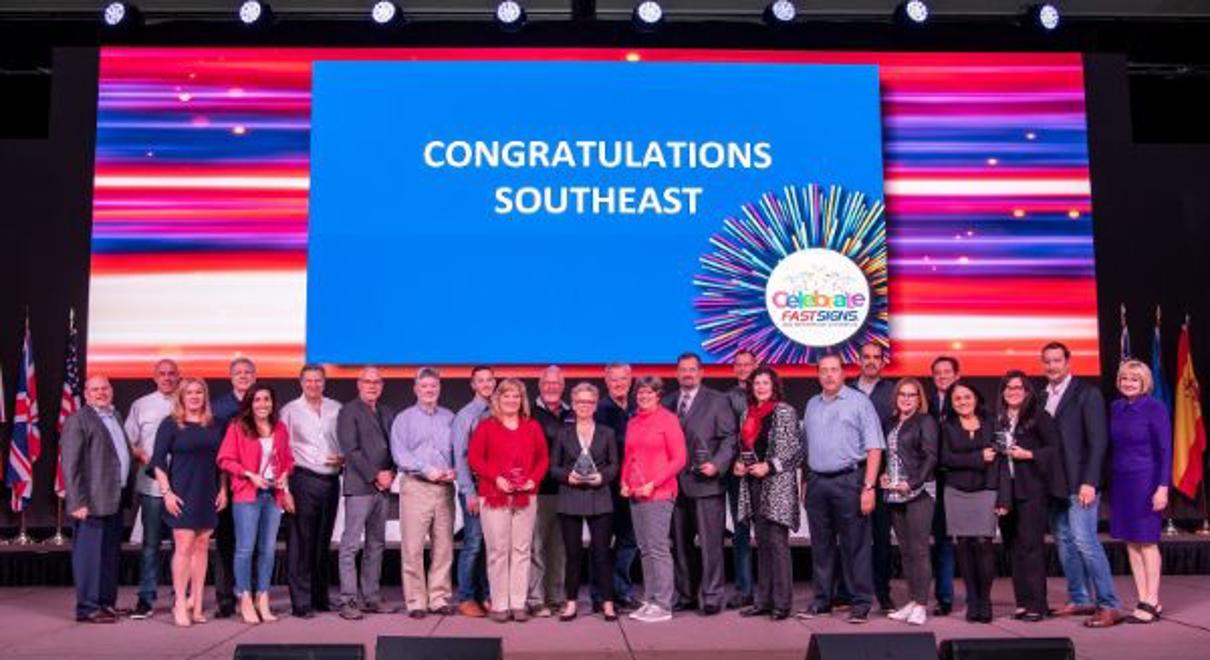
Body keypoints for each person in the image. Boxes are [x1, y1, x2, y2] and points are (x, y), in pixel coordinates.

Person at [797, 354, 885, 624]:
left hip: (850, 481)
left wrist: (869, 486)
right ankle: (822, 600)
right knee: (821, 546)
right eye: (824, 370)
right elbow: (807, 447)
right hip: (817, 482)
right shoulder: (812, 404)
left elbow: (874, 447)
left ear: (843, 373)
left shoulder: (860, 402)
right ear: (818, 375)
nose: (829, 375)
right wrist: (805, 481)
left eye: (834, 370)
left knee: (855, 545)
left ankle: (860, 603)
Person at [1041, 342, 1122, 627]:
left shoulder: (1087, 393)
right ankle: (1080, 598)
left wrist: (1090, 481)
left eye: (1057, 360)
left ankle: (1109, 605)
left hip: (1081, 483)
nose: (1052, 366)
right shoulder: (1042, 395)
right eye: (1047, 361)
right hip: (1055, 484)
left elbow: (1099, 441)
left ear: (1068, 362)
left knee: (1085, 542)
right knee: (1064, 542)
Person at [468, 378, 550, 623]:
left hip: (525, 496)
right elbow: (474, 458)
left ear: (522, 400)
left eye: (516, 396)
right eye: (507, 395)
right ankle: (500, 604)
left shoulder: (532, 427)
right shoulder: (486, 426)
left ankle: (518, 603)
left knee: (522, 550)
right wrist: (496, 479)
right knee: (498, 551)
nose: (512, 400)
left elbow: (543, 459)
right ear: (498, 399)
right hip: (494, 495)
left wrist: (533, 480)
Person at [662, 352, 737, 615]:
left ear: (701, 373)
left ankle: (712, 596)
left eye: (692, 369)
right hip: (675, 485)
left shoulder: (718, 400)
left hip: (707, 484)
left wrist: (717, 464)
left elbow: (729, 438)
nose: (687, 374)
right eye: (683, 370)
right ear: (677, 374)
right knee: (680, 545)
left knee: (710, 545)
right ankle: (686, 594)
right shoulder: (667, 402)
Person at [150, 378, 226, 627]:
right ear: (181, 397)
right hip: (181, 492)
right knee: (184, 547)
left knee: (202, 546)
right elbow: (158, 461)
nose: (194, 396)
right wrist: (167, 493)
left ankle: (198, 603)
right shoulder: (171, 424)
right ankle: (180, 604)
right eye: (189, 392)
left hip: (208, 492)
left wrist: (223, 489)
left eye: (199, 392)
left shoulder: (216, 424)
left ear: (205, 396)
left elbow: (223, 461)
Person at [217, 383, 295, 625]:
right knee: (245, 549)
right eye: (257, 400)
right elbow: (224, 460)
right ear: (250, 404)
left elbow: (288, 460)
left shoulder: (280, 428)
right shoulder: (238, 427)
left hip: (273, 495)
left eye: (266, 399)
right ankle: (244, 597)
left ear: (272, 403)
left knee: (268, 549)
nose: (262, 404)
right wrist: (249, 475)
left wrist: (285, 475)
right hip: (247, 495)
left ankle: (263, 596)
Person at [995, 370, 1066, 622]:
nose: (1013, 392)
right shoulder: (998, 419)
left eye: (1018, 388)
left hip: (1031, 490)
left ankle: (1038, 604)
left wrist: (1029, 454)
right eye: (1008, 388)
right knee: (1013, 547)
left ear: (1027, 392)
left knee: (1031, 547)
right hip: (1006, 492)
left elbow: (1055, 450)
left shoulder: (1039, 416)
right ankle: (1023, 603)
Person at [61, 375, 133, 624]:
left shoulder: (116, 416)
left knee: (109, 555)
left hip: (114, 497)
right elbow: (70, 465)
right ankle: (88, 608)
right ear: (86, 394)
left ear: (111, 390)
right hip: (90, 502)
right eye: (95, 389)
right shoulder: (78, 420)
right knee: (89, 557)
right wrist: (76, 502)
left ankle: (106, 603)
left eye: (104, 388)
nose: (101, 393)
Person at [733, 366, 802, 621]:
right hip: (753, 483)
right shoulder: (747, 413)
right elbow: (746, 448)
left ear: (774, 386)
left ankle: (782, 604)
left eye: (765, 382)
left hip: (777, 485)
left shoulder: (785, 411)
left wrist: (769, 466)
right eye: (757, 383)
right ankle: (763, 601)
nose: (761, 387)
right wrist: (741, 463)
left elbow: (796, 452)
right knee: (761, 544)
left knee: (777, 544)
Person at [390, 367, 458, 619]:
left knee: (444, 547)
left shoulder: (450, 417)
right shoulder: (404, 419)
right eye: (424, 386)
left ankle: (439, 598)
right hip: (416, 487)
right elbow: (400, 454)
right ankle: (416, 601)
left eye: (433, 386)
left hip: (444, 489)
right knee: (413, 547)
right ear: (416, 389)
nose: (429, 390)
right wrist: (427, 469)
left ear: (439, 388)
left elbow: (458, 450)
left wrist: (455, 471)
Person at [1108, 360, 1172, 625]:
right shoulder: (1116, 407)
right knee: (1131, 541)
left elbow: (1165, 450)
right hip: (1122, 481)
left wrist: (1163, 487)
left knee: (1147, 541)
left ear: (1144, 382)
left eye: (1134, 379)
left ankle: (1152, 599)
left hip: (1147, 480)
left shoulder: (1155, 407)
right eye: (1124, 378)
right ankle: (1143, 598)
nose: (1128, 383)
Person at [549, 382, 619, 621]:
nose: (584, 406)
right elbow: (553, 467)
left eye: (589, 402)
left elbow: (614, 465)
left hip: (600, 497)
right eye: (580, 402)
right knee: (573, 555)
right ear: (573, 404)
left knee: (602, 554)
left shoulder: (607, 433)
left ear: (595, 405)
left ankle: (608, 604)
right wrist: (567, 476)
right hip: (570, 497)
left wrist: (603, 477)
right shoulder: (563, 433)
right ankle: (571, 603)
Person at [279, 364, 343, 619]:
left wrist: (344, 459)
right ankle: (301, 602)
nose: (314, 385)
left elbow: (345, 442)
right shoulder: (289, 411)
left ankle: (320, 598)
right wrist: (285, 490)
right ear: (301, 382)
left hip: (331, 480)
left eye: (318, 380)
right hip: (303, 479)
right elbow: (280, 451)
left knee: (322, 542)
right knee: (301, 544)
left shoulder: (336, 408)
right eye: (309, 380)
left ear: (324, 382)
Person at [623, 375, 688, 623]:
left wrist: (654, 483)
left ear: (658, 395)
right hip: (635, 493)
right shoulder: (633, 421)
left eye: (649, 392)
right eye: (640, 392)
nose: (644, 396)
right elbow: (629, 457)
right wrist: (624, 482)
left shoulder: (668, 420)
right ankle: (650, 600)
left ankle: (663, 604)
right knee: (645, 549)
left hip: (659, 493)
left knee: (658, 548)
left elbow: (679, 459)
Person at [334, 367, 396, 620]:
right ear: (359, 384)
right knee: (350, 545)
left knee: (376, 544)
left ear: (382, 385)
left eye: (377, 382)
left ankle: (371, 597)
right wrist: (375, 476)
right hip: (360, 486)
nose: (372, 386)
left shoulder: (387, 412)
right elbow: (351, 450)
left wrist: (391, 473)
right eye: (367, 382)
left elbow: (395, 447)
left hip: (384, 486)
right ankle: (348, 600)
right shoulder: (348, 411)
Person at [124, 358, 181, 619]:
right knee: (151, 545)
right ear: (155, 377)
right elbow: (128, 440)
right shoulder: (141, 405)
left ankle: (181, 596)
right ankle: (146, 599)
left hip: (184, 484)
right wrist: (143, 456)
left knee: (183, 545)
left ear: (178, 376)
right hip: (152, 485)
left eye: (171, 373)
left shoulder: (190, 400)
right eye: (163, 374)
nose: (167, 378)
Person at [940, 382, 1000, 623]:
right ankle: (972, 600)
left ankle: (985, 600)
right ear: (951, 403)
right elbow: (945, 459)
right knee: (963, 545)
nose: (963, 401)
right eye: (957, 398)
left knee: (984, 544)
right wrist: (978, 457)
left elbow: (998, 459)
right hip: (956, 492)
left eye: (967, 397)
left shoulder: (992, 423)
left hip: (986, 490)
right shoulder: (946, 426)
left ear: (976, 398)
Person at [881, 377, 939, 626]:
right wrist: (884, 475)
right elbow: (890, 457)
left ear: (919, 398)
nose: (906, 399)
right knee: (905, 551)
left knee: (919, 549)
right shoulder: (891, 422)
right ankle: (913, 601)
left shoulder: (925, 421)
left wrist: (913, 483)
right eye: (902, 394)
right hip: (895, 492)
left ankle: (922, 605)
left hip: (919, 492)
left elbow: (931, 457)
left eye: (911, 395)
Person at [210, 356, 257, 618]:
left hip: (257, 487)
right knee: (227, 543)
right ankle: (225, 599)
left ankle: (251, 596)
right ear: (231, 377)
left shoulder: (263, 403)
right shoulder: (218, 408)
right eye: (238, 372)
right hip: (228, 485)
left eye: (247, 372)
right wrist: (222, 487)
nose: (243, 376)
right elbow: (217, 454)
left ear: (254, 376)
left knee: (252, 544)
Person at [593, 362, 642, 612]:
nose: (619, 383)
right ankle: (599, 595)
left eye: (623, 379)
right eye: (614, 379)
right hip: (606, 488)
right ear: (606, 381)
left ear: (631, 380)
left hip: (633, 488)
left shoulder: (639, 407)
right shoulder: (599, 410)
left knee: (629, 542)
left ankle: (622, 591)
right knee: (601, 544)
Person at [852, 342, 896, 611]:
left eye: (876, 357)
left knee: (881, 537)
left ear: (883, 361)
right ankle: (849, 591)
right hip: (850, 472)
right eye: (866, 357)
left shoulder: (893, 392)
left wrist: (890, 471)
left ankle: (883, 592)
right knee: (851, 536)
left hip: (882, 475)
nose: (871, 361)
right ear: (859, 360)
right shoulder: (845, 390)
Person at [528, 365, 573, 617]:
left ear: (563, 386)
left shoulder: (572, 413)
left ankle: (556, 597)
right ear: (540, 385)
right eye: (547, 383)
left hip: (567, 490)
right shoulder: (529, 412)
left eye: (556, 383)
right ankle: (536, 599)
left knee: (559, 548)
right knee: (537, 546)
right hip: (539, 490)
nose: (552, 387)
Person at [451, 365, 496, 617]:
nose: (486, 384)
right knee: (474, 543)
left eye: (490, 380)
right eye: (481, 380)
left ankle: (486, 595)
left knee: (490, 544)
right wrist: (468, 492)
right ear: (473, 385)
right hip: (474, 489)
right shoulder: (466, 415)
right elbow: (460, 457)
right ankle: (466, 597)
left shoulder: (498, 411)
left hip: (494, 488)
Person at [724, 349, 757, 610]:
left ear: (756, 365)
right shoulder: (727, 398)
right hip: (737, 473)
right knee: (741, 531)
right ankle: (744, 590)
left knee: (769, 533)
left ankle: (771, 589)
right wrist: (738, 461)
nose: (744, 368)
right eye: (739, 365)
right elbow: (729, 435)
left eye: (748, 364)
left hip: (766, 473)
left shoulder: (769, 393)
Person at [927, 355, 960, 615]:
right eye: (937, 372)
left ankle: (977, 599)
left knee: (970, 541)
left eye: (947, 371)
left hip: (962, 478)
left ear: (957, 375)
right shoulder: (925, 404)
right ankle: (944, 598)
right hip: (933, 480)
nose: (942, 376)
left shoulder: (966, 400)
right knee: (942, 540)